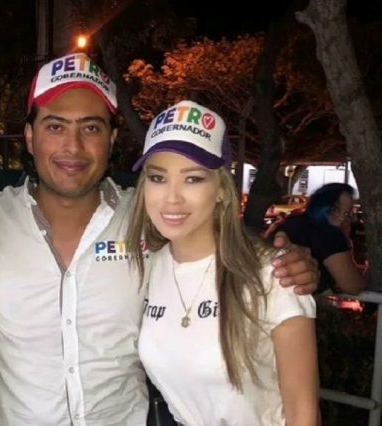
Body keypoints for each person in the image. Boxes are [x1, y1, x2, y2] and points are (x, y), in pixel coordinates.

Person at [0, 53, 318, 425]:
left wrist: (290, 263)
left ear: (112, 139)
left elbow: (211, 246)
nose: (72, 146)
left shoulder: (146, 219)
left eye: (90, 128)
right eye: (55, 126)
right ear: (30, 137)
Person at [128, 100, 319, 425]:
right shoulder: (147, 267)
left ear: (221, 190)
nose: (171, 197)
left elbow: (303, 414)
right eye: (158, 178)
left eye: (193, 179)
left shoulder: (273, 273)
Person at [276, 182, 365, 295]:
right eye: (336, 209)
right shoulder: (330, 235)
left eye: (347, 213)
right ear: (322, 204)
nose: (342, 218)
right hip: (303, 299)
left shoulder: (291, 222)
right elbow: (352, 286)